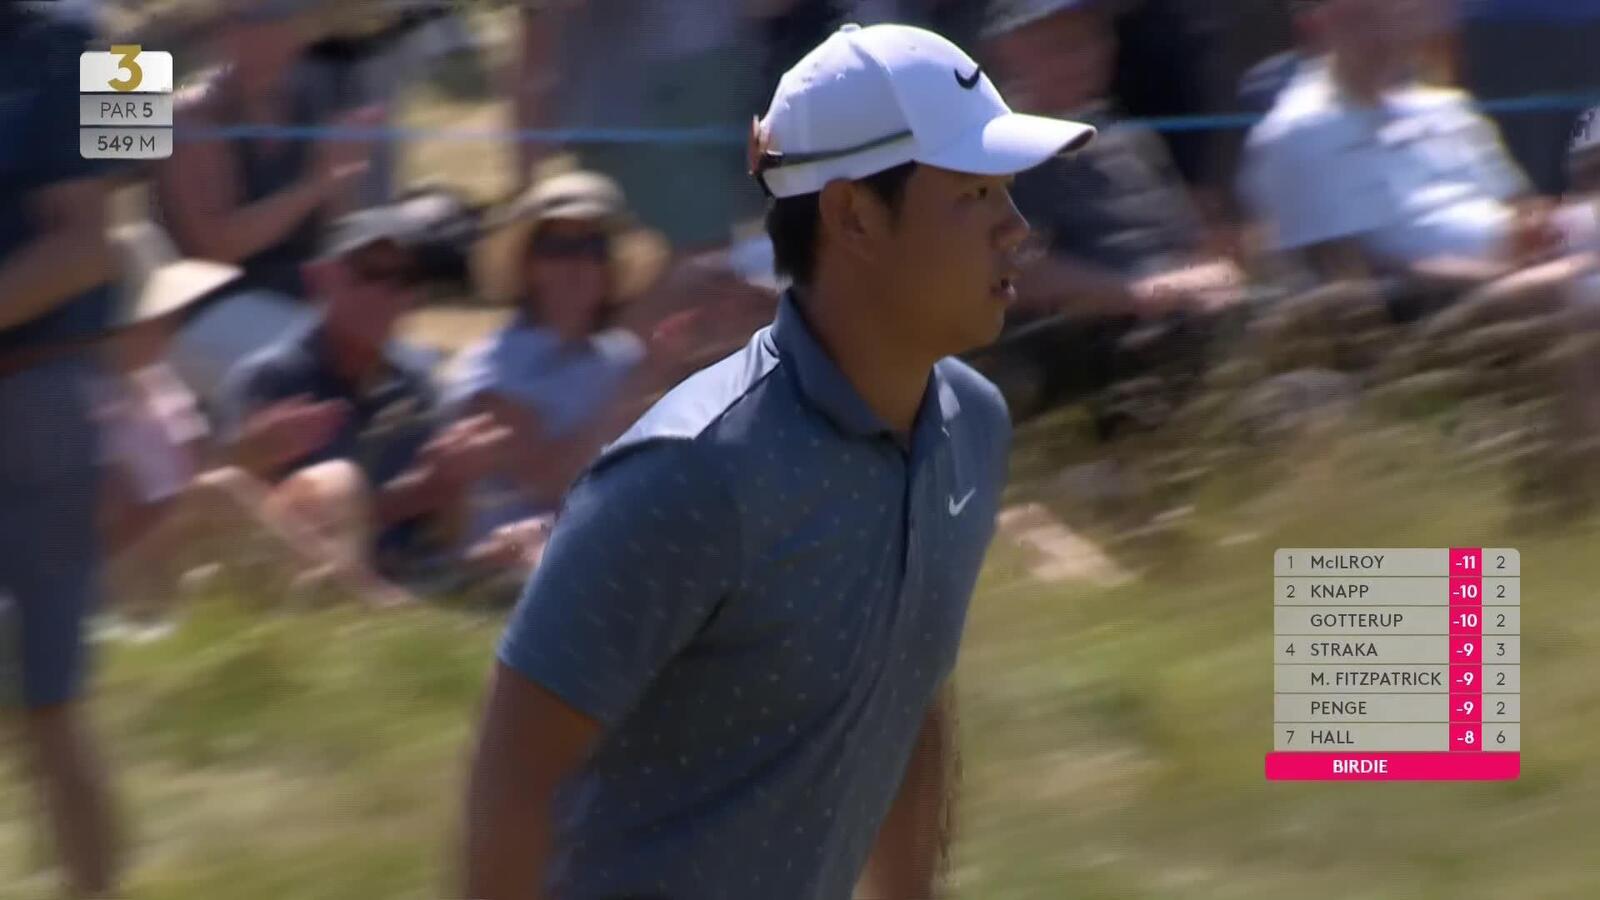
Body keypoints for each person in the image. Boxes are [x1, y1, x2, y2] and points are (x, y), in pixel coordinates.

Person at [462, 22, 1094, 900]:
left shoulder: (971, 427)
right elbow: (513, 774)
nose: (1017, 230)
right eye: (977, 194)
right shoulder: (689, 472)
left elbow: (912, 688)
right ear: (854, 216)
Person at [95, 222, 416, 617]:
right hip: (121, 576)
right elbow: (118, 527)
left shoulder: (160, 385)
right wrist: (242, 459)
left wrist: (253, 450)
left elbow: (196, 478)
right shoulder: (85, 407)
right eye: (155, 314)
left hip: (187, 551)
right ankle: (367, 603)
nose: (170, 323)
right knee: (223, 490)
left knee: (336, 478)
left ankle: (336, 598)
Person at [219, 198, 511, 599]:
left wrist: (452, 487)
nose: (387, 292)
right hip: (300, 593)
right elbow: (251, 526)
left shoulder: (416, 388)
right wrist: (413, 495)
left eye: (404, 279)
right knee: (337, 484)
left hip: (404, 582)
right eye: (369, 272)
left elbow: (442, 537)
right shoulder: (271, 380)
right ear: (319, 278)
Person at [972, 0, 1249, 421]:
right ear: (1009, 51)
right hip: (1085, 347)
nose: (1082, 54)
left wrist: (1213, 276)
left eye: (1091, 37)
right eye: (1057, 43)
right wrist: (1139, 294)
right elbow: (1013, 272)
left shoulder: (1130, 143)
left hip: (1176, 317)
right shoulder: (995, 156)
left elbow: (1199, 243)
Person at [0, 6, 119, 896]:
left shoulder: (107, 48)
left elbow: (93, 252)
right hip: (59, 392)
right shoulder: (124, 44)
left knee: (51, 705)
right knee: (52, 706)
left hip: (39, 396)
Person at [445, 166, 674, 572]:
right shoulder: (488, 369)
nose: (577, 265)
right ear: (527, 265)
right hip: (510, 553)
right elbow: (550, 481)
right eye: (557, 248)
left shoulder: (623, 356)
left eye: (593, 248)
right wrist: (637, 391)